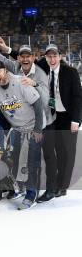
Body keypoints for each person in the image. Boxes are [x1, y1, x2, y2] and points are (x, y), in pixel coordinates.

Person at [0, 60, 43, 209]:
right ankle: (22, 187)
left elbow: (38, 104)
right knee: (16, 160)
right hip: (17, 129)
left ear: (5, 70)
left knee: (32, 161)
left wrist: (38, 129)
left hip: (32, 126)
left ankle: (31, 194)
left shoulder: (20, 82)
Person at [37, 44, 82, 201]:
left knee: (67, 153)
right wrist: (7, 50)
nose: (52, 59)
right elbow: (23, 59)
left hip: (68, 118)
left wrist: (76, 120)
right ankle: (55, 184)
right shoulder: (43, 69)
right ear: (45, 57)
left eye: (55, 55)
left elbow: (78, 97)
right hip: (52, 117)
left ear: (60, 56)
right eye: (49, 56)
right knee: (55, 151)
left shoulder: (71, 72)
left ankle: (62, 186)